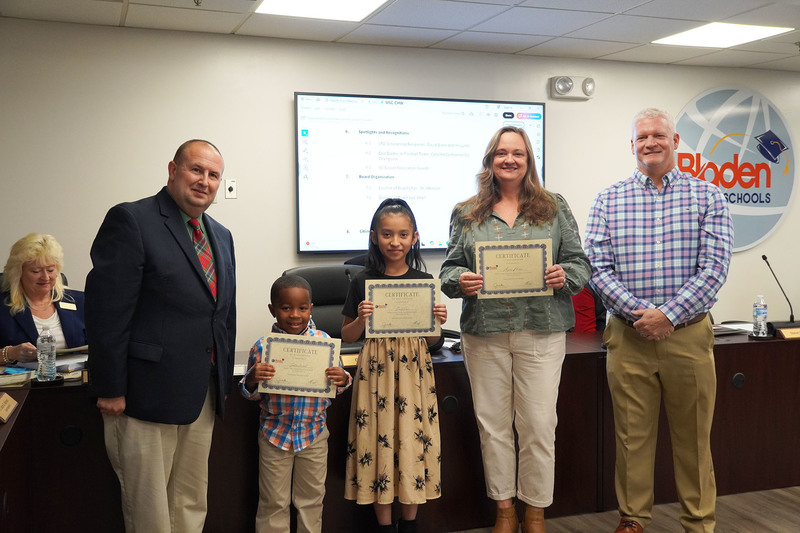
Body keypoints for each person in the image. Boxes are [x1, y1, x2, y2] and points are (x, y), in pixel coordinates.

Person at [584, 108, 733, 533]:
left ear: (676, 140)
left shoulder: (708, 197)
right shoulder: (608, 199)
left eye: (658, 135)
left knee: (694, 443)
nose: (650, 143)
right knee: (632, 440)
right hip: (628, 339)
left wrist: (668, 314)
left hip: (687, 335)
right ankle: (633, 520)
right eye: (642, 137)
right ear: (631, 145)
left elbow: (715, 268)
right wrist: (640, 314)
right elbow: (598, 269)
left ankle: (699, 523)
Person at [439, 126, 590, 533]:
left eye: (518, 153)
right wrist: (461, 280)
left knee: (539, 426)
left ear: (529, 160)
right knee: (494, 426)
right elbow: (449, 270)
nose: (509, 160)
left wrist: (565, 275)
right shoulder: (467, 211)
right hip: (483, 332)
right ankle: (505, 510)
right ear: (490, 160)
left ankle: (535, 511)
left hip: (540, 329)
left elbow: (580, 263)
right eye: (501, 153)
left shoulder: (553, 206)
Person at [85, 139, 237, 532]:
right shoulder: (132, 220)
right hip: (143, 395)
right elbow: (107, 313)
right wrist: (110, 386)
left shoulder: (221, 235)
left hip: (200, 394)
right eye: (196, 170)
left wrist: (222, 383)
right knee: (149, 508)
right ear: (173, 170)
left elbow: (222, 316)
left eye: (213, 174)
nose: (204, 181)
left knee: (190, 501)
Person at [342, 198, 447, 533]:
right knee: (378, 441)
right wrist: (360, 317)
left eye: (403, 235)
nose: (395, 242)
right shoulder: (362, 281)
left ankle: (411, 525)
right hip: (376, 372)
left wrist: (437, 322)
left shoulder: (424, 279)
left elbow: (433, 341)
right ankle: (385, 526)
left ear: (414, 237)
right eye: (388, 234)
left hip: (414, 373)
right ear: (375, 237)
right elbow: (346, 334)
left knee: (412, 442)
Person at [240, 274, 351, 533]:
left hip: (313, 436)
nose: (294, 315)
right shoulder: (262, 347)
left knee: (311, 501)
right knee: (273, 502)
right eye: (286, 308)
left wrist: (342, 378)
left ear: (311, 308)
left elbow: (341, 383)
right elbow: (251, 394)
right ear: (273, 309)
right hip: (274, 436)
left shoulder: (325, 343)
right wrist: (253, 379)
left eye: (302, 308)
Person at [1, 233, 86, 365]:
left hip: (75, 382)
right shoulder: (3, 307)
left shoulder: (80, 301)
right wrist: (10, 353)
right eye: (36, 271)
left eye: (50, 270)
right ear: (18, 273)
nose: (45, 277)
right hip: (24, 384)